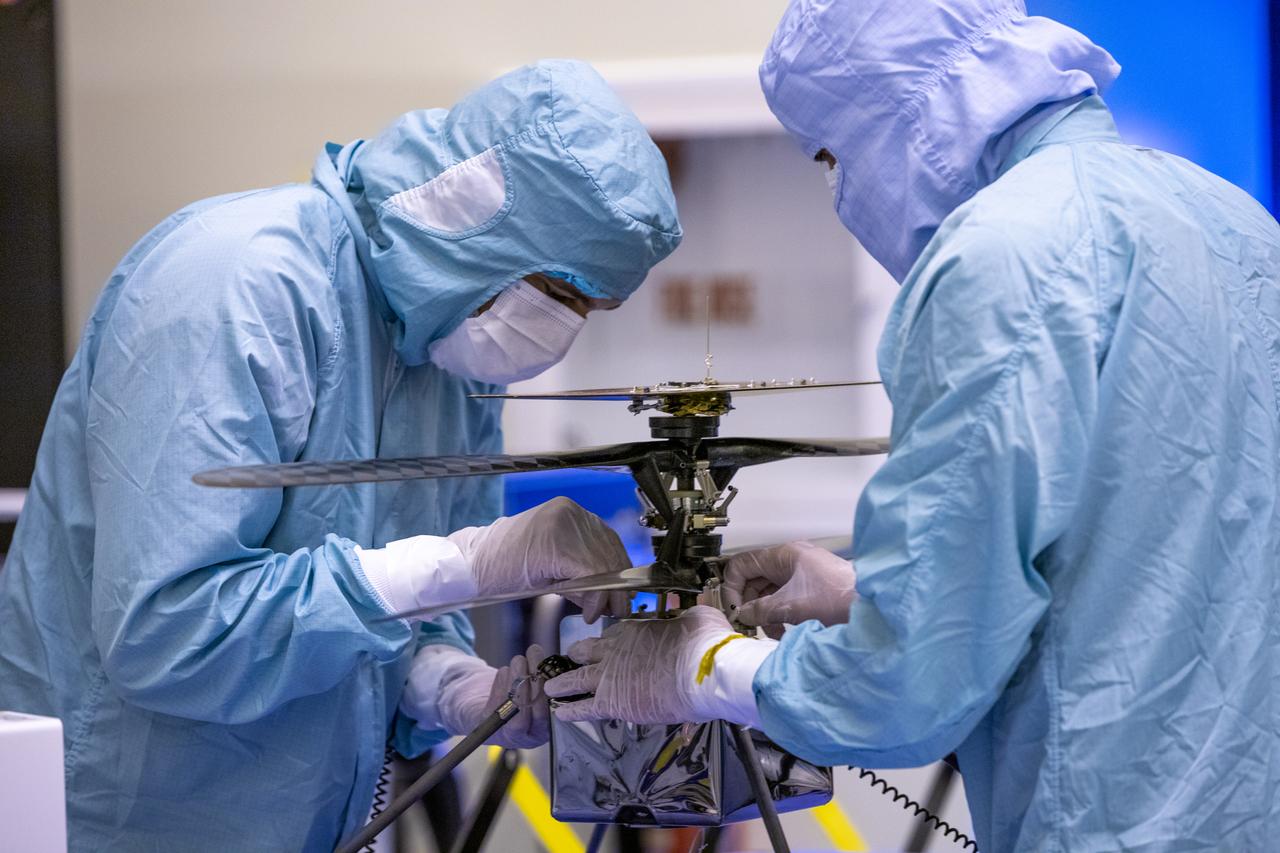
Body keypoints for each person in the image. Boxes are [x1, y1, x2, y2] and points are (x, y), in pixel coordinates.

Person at [546, 2, 1280, 850]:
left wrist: (707, 668)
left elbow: (905, 684)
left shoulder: (998, 258)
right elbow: (1156, 565)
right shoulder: (1233, 221)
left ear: (904, 114)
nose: (840, 190)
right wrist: (865, 592)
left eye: (830, 155)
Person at [0, 59, 681, 852]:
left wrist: (457, 688)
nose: (564, 328)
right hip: (134, 817)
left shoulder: (449, 356)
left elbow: (391, 621)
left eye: (592, 310)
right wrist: (468, 560)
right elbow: (170, 631)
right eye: (562, 295)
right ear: (477, 216)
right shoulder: (237, 285)